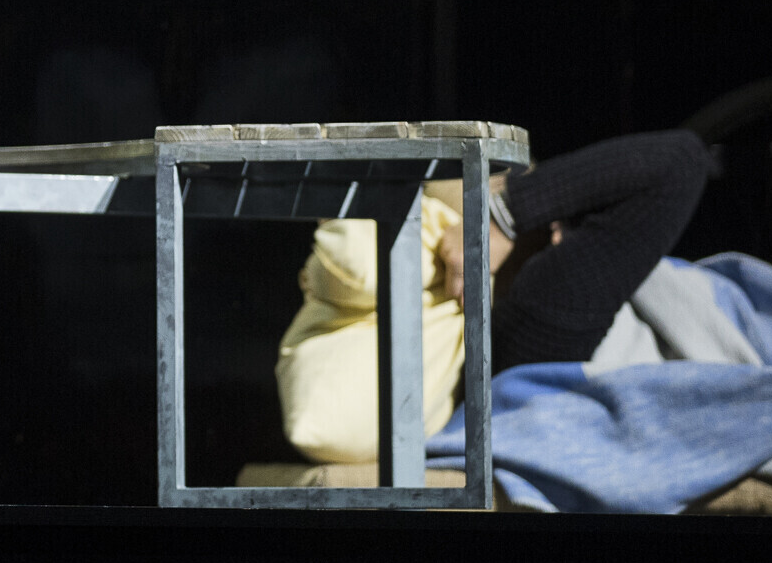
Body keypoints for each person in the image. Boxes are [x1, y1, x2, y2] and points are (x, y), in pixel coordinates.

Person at [277, 129, 710, 463]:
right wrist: (502, 217)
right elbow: (682, 160)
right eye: (553, 217)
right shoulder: (543, 306)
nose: (561, 229)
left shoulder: (506, 334)